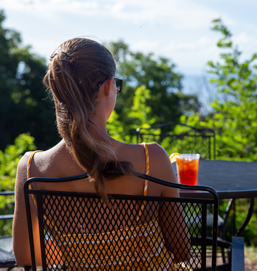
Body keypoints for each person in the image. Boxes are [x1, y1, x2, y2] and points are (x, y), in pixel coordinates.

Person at [12, 38, 190, 269]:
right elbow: (181, 250)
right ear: (108, 86)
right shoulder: (151, 159)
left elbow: (25, 256)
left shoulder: (31, 168)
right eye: (116, 84)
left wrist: (84, 252)